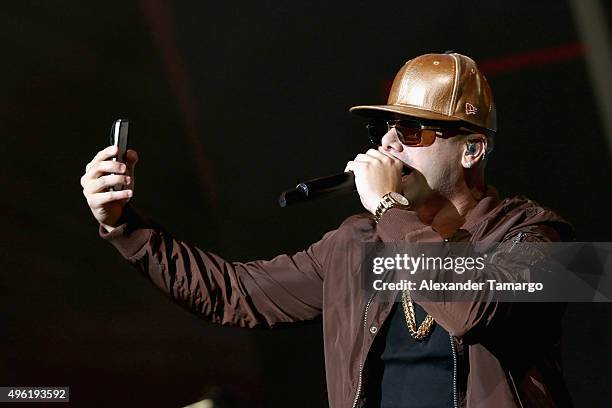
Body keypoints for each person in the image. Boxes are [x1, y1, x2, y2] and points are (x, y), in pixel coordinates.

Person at [80, 52, 574, 407]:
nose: (389, 144)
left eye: (412, 131)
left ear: (471, 149)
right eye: (387, 128)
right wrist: (124, 227)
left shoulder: (539, 236)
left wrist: (388, 205)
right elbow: (233, 293)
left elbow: (470, 308)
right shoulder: (357, 243)